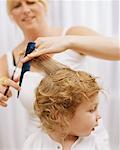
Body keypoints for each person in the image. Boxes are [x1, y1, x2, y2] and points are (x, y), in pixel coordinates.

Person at [0, 0, 116, 148]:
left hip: (88, 137)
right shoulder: (8, 60)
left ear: (44, 5)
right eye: (17, 5)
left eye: (31, 2)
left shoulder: (71, 34)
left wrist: (68, 42)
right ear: (11, 16)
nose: (25, 9)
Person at [22, 57, 110, 150]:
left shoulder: (95, 144)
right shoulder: (33, 144)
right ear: (58, 115)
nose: (98, 116)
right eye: (91, 110)